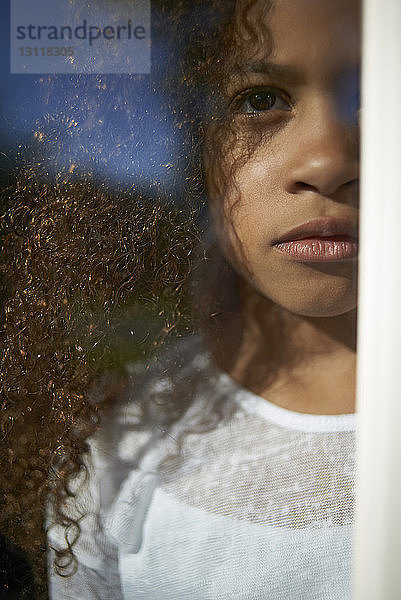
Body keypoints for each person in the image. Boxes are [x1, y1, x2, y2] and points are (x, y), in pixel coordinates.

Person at [45, 0, 360, 597]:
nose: (328, 161)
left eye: (377, 92)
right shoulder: (126, 440)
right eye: (260, 98)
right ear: (202, 156)